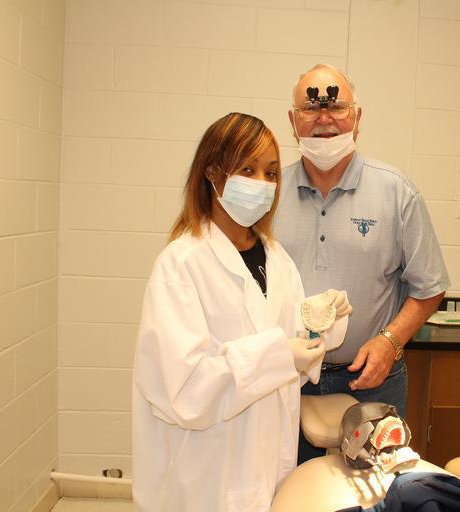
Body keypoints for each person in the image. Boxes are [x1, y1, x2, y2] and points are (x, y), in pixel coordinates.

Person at [132, 113, 350, 512]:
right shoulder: (181, 264)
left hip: (266, 463)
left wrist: (322, 323)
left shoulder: (277, 258)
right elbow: (185, 389)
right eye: (248, 170)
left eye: (271, 173)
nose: (263, 184)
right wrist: (278, 355)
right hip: (207, 471)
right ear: (213, 172)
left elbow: (295, 349)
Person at [273, 64, 450, 463]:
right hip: (287, 379)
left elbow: (430, 286)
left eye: (336, 106)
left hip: (372, 380)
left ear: (357, 117)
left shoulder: (396, 192)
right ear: (293, 121)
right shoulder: (272, 195)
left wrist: (390, 342)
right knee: (287, 488)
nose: (324, 118)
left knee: (374, 488)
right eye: (310, 107)